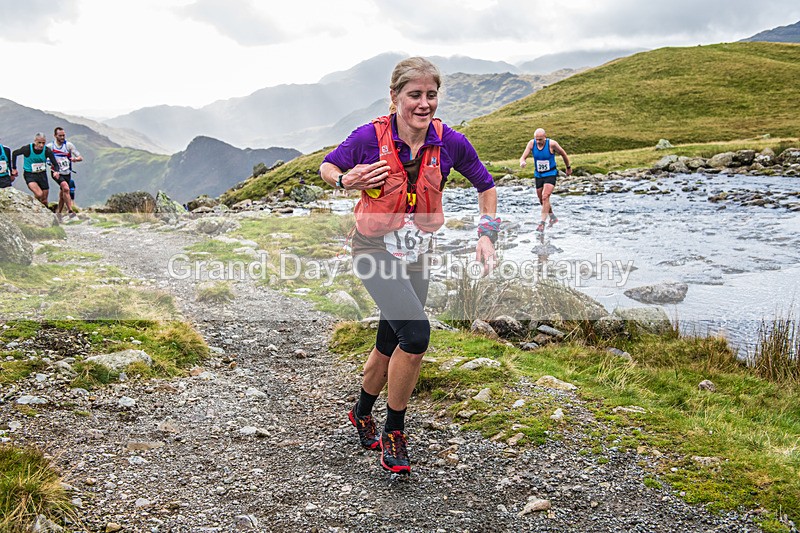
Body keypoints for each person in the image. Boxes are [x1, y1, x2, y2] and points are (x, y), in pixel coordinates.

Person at [320, 57, 499, 476]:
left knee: (391, 340)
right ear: (394, 96)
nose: (424, 104)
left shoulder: (451, 142)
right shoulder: (368, 137)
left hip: (417, 254)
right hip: (373, 250)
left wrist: (486, 233)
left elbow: (486, 186)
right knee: (416, 335)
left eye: (431, 95)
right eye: (414, 95)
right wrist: (345, 180)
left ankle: (361, 412)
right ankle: (394, 431)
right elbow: (328, 165)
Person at [519, 128, 572, 232]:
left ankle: (542, 224)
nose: (538, 141)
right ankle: (552, 217)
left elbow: (563, 154)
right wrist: (522, 162)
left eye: (540, 139)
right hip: (538, 174)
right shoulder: (531, 143)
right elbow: (523, 157)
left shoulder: (552, 144)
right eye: (536, 139)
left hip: (550, 173)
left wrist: (568, 167)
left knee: (545, 196)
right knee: (541, 200)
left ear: (545, 137)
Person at [12, 133, 60, 207]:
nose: (41, 145)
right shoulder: (27, 149)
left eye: (43, 143)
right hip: (30, 175)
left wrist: (56, 171)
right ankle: (32, 205)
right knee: (39, 194)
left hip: (42, 175)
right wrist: (14, 168)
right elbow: (14, 153)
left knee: (44, 200)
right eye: (39, 142)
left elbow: (55, 164)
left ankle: (41, 210)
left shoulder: (47, 150)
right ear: (35, 141)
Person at [47, 127, 83, 216]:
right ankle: (70, 211)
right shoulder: (50, 146)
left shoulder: (69, 145)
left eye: (63, 135)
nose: (62, 137)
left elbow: (80, 157)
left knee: (62, 195)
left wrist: (74, 159)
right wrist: (50, 163)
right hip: (56, 173)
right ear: (55, 135)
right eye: (60, 136)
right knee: (66, 188)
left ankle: (58, 214)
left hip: (67, 173)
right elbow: (44, 158)